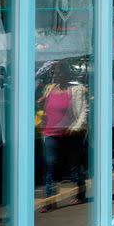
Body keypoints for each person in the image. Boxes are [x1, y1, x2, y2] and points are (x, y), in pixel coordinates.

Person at [37, 61, 88, 212]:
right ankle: (49, 201)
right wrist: (40, 103)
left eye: (58, 73)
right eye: (54, 73)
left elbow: (83, 112)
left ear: (66, 74)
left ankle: (80, 193)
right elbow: (44, 109)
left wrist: (76, 128)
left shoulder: (76, 90)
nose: (55, 76)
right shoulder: (49, 89)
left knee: (74, 166)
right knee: (50, 165)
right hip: (50, 132)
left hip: (70, 133)